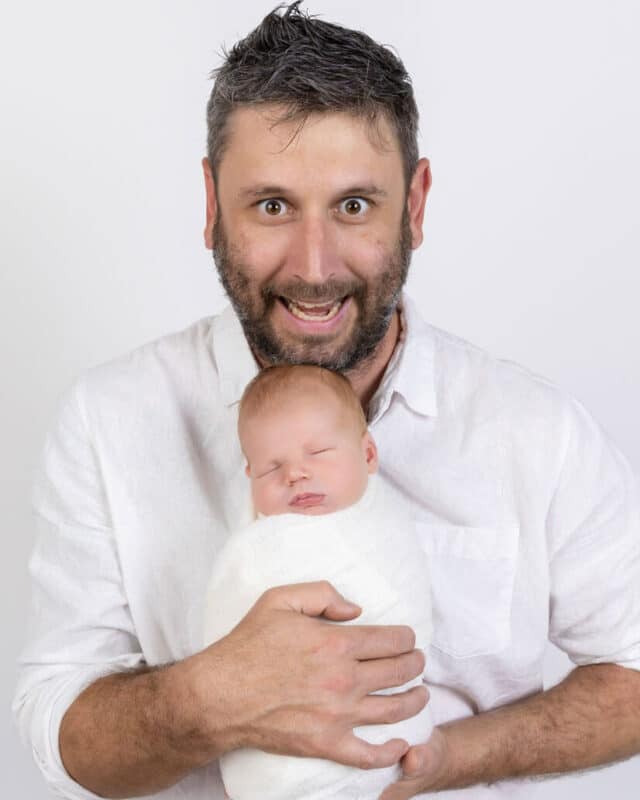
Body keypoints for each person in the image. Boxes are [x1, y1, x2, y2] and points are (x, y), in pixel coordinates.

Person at [12, 3, 640, 800]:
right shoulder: (112, 420)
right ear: (211, 205)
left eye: (353, 206)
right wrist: (205, 702)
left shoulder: (533, 432)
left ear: (414, 204)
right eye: (271, 205)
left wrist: (449, 758)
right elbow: (53, 724)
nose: (314, 268)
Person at [203, 364, 433, 800]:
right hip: (285, 760)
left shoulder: (387, 519)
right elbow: (224, 640)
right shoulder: (260, 547)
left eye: (318, 452)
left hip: (398, 743)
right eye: (271, 468)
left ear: (368, 455)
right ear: (249, 478)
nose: (295, 474)